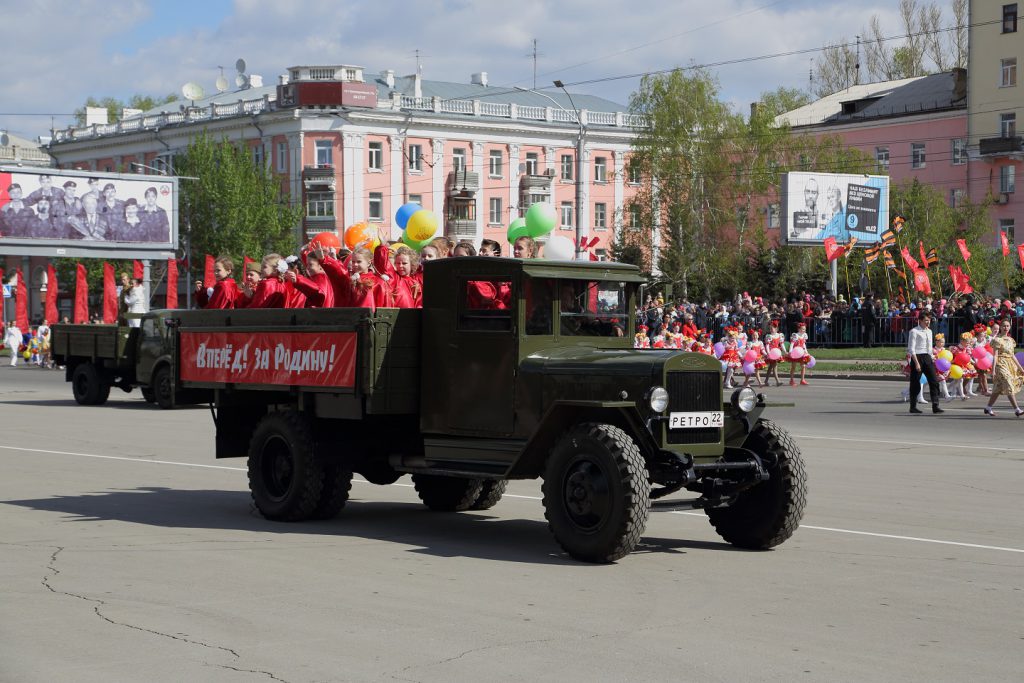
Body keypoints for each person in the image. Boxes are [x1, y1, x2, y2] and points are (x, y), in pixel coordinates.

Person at [983, 318, 1024, 417]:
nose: (1005, 328)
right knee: (1008, 383)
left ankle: (988, 407)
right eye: (1004, 326)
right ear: (1000, 327)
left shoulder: (1010, 340)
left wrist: (1020, 368)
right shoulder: (997, 340)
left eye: (1007, 326)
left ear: (1010, 327)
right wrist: (993, 370)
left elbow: (1012, 355)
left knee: (998, 388)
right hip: (1000, 364)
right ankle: (1017, 409)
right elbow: (995, 355)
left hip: (1009, 364)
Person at [906, 311, 943, 414]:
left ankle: (935, 405)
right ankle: (913, 406)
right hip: (917, 357)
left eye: (929, 320)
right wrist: (917, 363)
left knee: (934, 381)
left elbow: (929, 347)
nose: (928, 322)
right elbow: (911, 349)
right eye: (926, 320)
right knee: (915, 383)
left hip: (927, 357)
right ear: (920, 320)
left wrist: (932, 358)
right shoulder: (914, 331)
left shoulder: (929, 331)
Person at [787, 321, 811, 386]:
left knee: (803, 366)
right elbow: (792, 344)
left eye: (805, 329)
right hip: (795, 352)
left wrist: (806, 351)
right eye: (802, 329)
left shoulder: (804, 335)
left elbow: (803, 344)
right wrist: (790, 352)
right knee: (793, 366)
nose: (804, 330)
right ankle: (791, 380)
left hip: (801, 352)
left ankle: (802, 380)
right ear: (799, 329)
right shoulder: (795, 335)